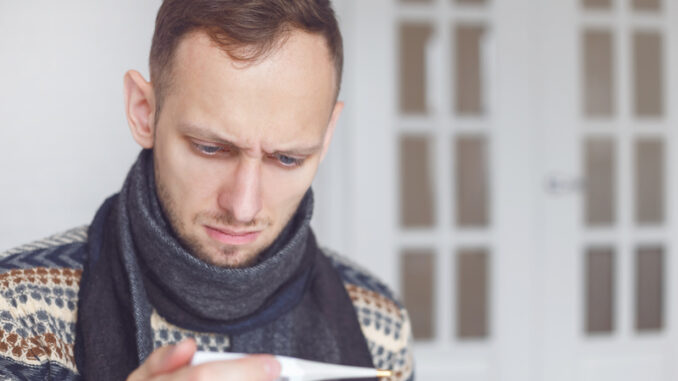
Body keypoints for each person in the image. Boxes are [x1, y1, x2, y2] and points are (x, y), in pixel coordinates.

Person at [0, 0, 414, 380]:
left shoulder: (378, 322)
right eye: (211, 148)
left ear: (326, 138)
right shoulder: (17, 309)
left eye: (287, 158)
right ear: (144, 113)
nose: (243, 206)